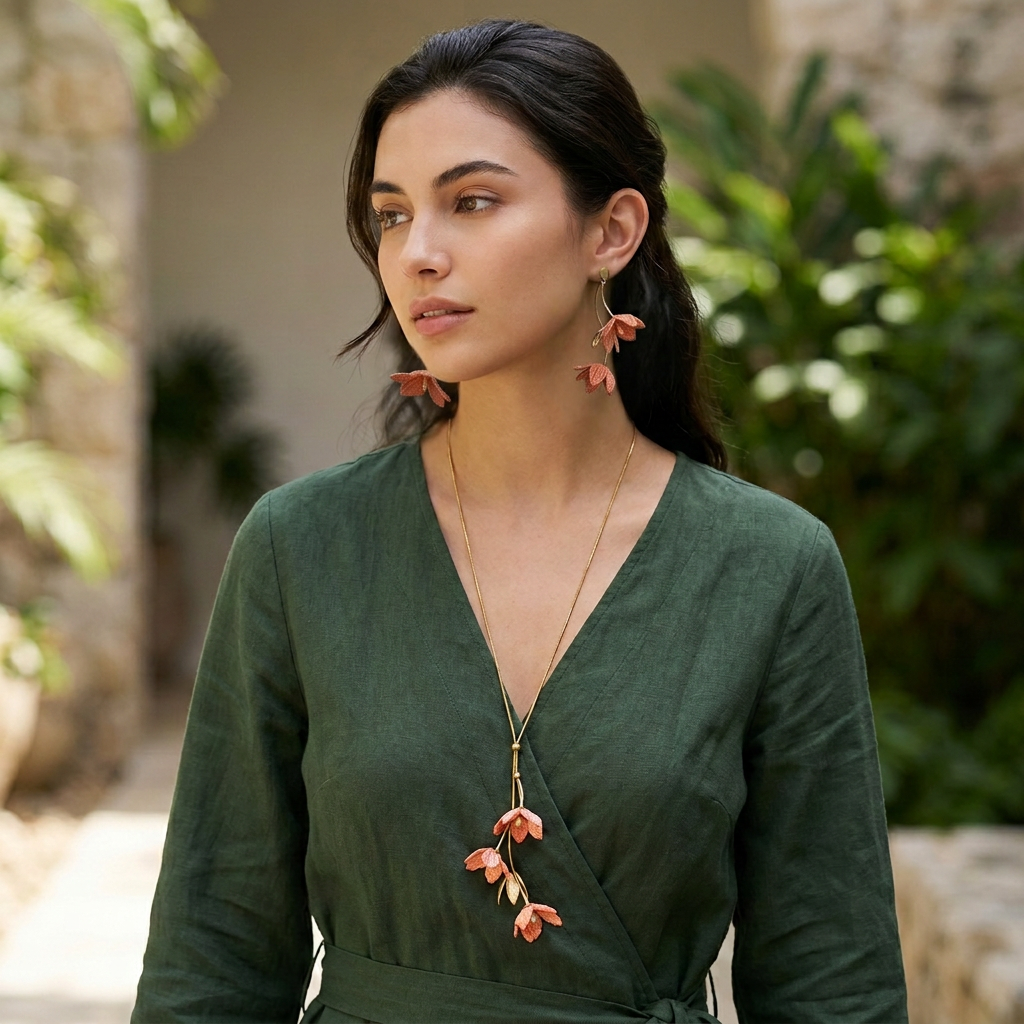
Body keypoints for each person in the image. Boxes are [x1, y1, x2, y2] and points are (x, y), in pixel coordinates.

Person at [132, 18, 908, 1024]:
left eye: (473, 201)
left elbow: (830, 981)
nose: (419, 253)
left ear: (611, 231)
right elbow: (212, 957)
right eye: (392, 214)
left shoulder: (767, 567)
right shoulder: (300, 548)